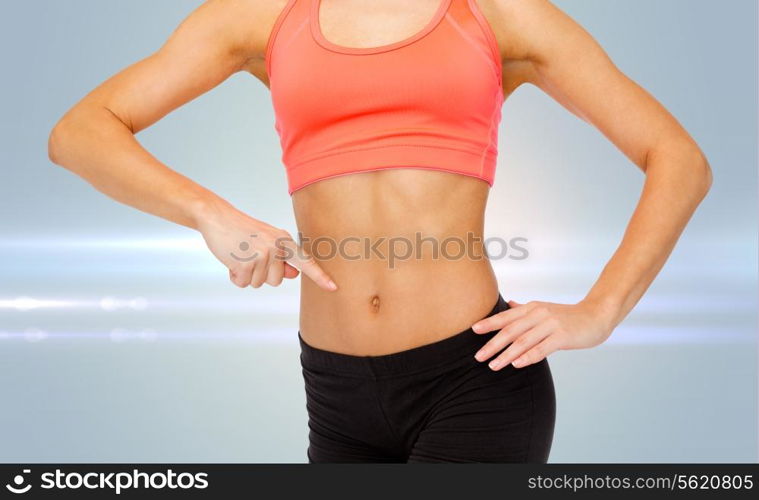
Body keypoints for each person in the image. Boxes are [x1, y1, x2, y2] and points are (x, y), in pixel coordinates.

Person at [47, 0, 712, 463]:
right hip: (334, 392)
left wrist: (599, 313)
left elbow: (677, 159)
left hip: (472, 376)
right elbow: (80, 130)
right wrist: (208, 212)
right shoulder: (258, 15)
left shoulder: (499, 13)